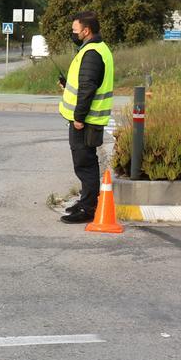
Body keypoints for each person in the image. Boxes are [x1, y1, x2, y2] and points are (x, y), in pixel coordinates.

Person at [58, 11, 114, 224]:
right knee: (84, 162)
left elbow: (88, 88)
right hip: (88, 118)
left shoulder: (91, 52)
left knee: (85, 163)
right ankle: (86, 202)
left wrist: (79, 117)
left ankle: (89, 209)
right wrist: (67, 85)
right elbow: (84, 83)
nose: (73, 34)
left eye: (75, 30)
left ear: (86, 30)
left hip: (86, 120)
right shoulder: (96, 49)